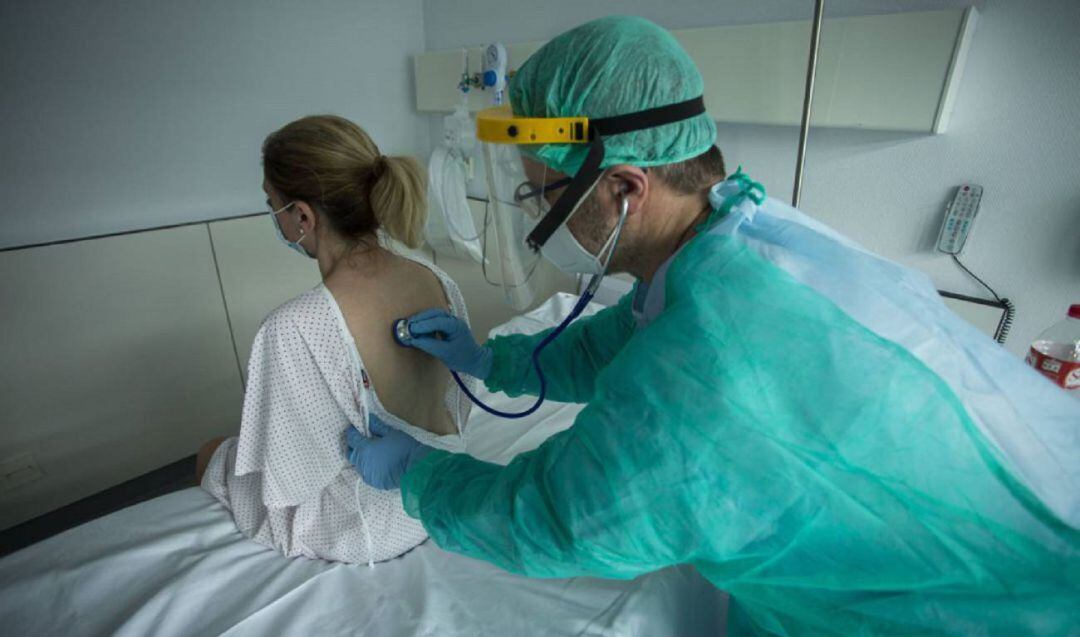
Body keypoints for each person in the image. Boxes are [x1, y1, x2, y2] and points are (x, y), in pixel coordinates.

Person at [347, 16, 1079, 635]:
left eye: (543, 194)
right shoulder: (744, 231)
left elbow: (557, 517)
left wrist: (423, 476)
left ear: (627, 186)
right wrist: (493, 359)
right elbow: (627, 334)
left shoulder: (702, 375)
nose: (538, 216)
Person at [197, 115, 477, 565]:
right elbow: (459, 401)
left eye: (274, 205)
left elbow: (289, 479)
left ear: (302, 216)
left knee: (212, 452)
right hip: (438, 487)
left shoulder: (292, 328)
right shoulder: (436, 279)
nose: (276, 218)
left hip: (372, 525)